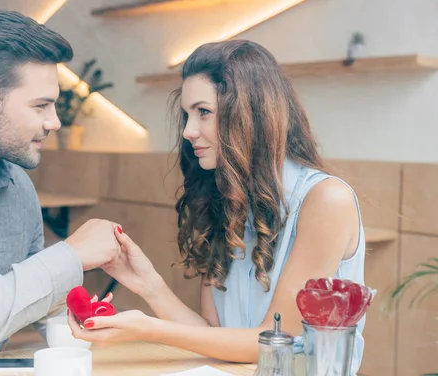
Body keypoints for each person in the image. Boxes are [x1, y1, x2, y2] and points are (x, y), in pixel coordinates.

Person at [69, 40, 366, 375]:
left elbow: (273, 340)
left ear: (251, 114)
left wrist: (147, 328)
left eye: (203, 112)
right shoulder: (227, 199)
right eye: (187, 114)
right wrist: (148, 284)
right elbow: (213, 336)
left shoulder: (326, 201)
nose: (188, 131)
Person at [0, 8, 120, 371]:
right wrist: (68, 257)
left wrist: (77, 313)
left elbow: (23, 302)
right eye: (41, 106)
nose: (54, 122)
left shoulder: (17, 184)